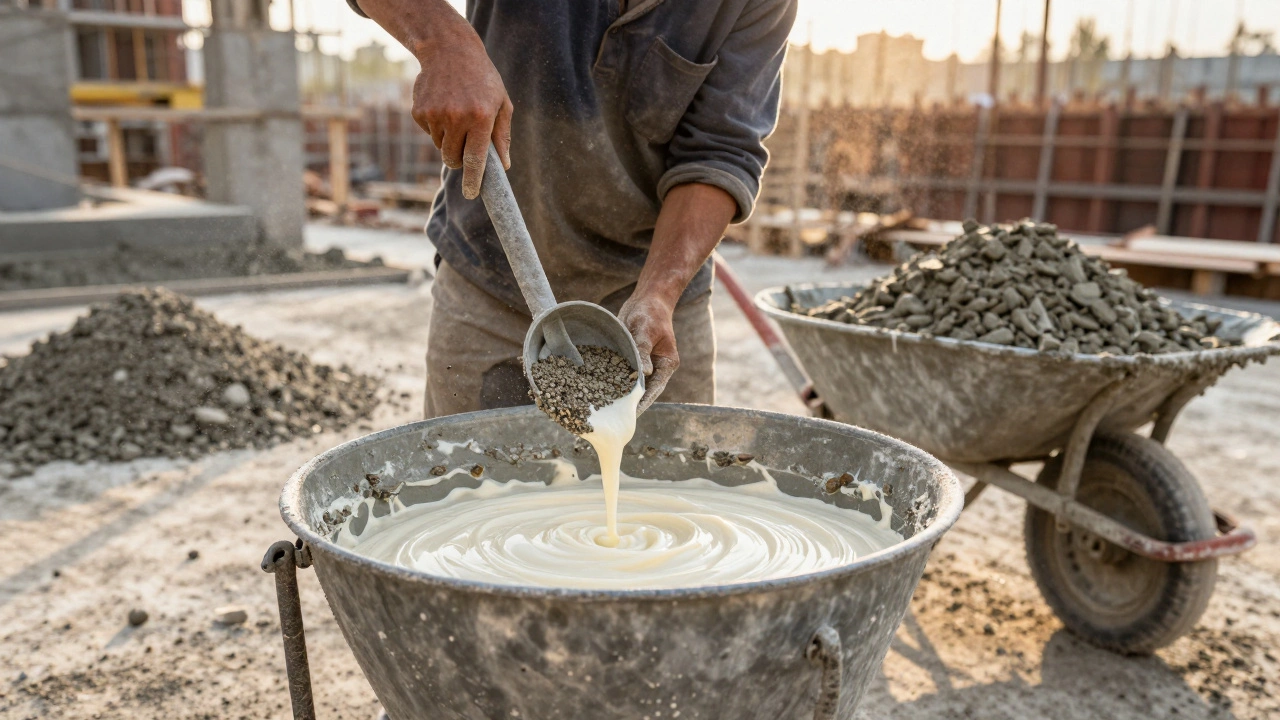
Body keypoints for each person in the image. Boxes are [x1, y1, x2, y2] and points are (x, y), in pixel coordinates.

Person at [346, 0, 797, 416]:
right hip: (490, 284)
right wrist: (441, 41)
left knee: (667, 489)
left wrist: (659, 292)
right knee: (467, 484)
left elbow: (721, 151)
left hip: (657, 306)